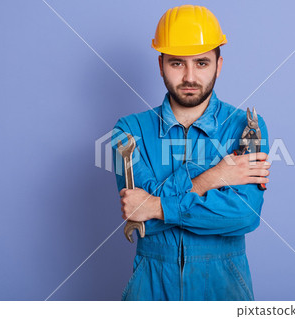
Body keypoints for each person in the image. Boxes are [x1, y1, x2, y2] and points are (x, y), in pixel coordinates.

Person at [112, 4, 270, 301]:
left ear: (218, 65)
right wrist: (214, 176)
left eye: (201, 63)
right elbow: (138, 217)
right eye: (176, 63)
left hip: (223, 287)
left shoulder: (245, 126)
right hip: (150, 287)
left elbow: (243, 215)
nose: (189, 77)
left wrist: (157, 206)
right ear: (161, 65)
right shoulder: (129, 130)